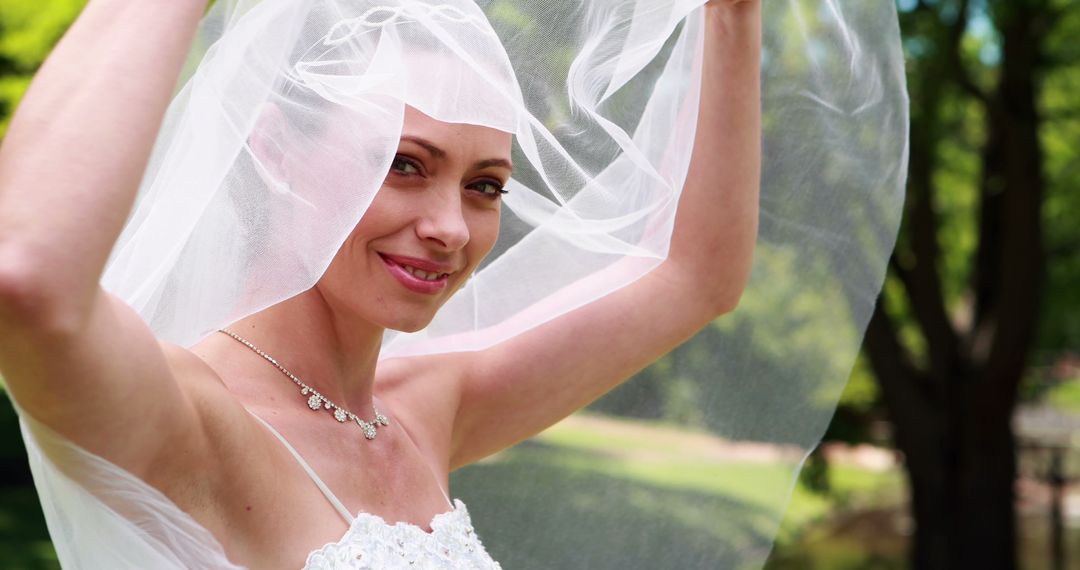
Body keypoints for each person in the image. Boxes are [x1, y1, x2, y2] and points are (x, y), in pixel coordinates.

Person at [0, 0, 907, 568]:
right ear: (275, 148)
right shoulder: (192, 424)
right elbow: (26, 279)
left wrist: (731, 14)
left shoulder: (425, 410)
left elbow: (695, 273)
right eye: (402, 164)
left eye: (484, 186)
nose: (449, 226)